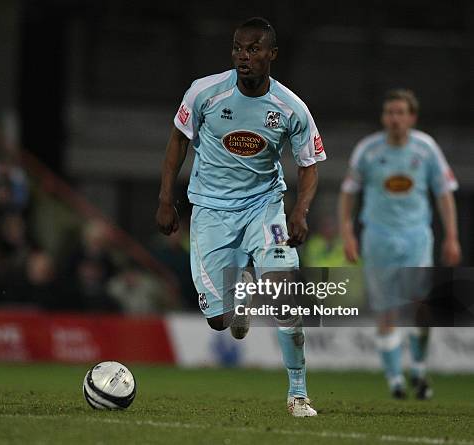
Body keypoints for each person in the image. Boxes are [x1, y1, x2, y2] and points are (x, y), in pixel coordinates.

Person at [156, 17, 326, 417]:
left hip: (264, 207)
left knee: (287, 297)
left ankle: (297, 393)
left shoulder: (290, 107)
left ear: (272, 55)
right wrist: (166, 199)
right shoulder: (204, 93)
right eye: (237, 48)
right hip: (211, 211)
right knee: (219, 320)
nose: (243, 57)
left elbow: (309, 164)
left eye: (252, 50)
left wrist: (299, 211)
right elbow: (178, 141)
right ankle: (241, 294)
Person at [339, 89, 461, 400]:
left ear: (412, 117)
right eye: (389, 112)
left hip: (416, 236)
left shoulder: (426, 148)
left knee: (420, 304)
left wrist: (451, 236)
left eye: (399, 112)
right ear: (383, 117)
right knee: (386, 310)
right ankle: (395, 379)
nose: (393, 118)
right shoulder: (367, 150)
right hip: (377, 237)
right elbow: (349, 192)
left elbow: (444, 192)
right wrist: (348, 232)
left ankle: (418, 368)